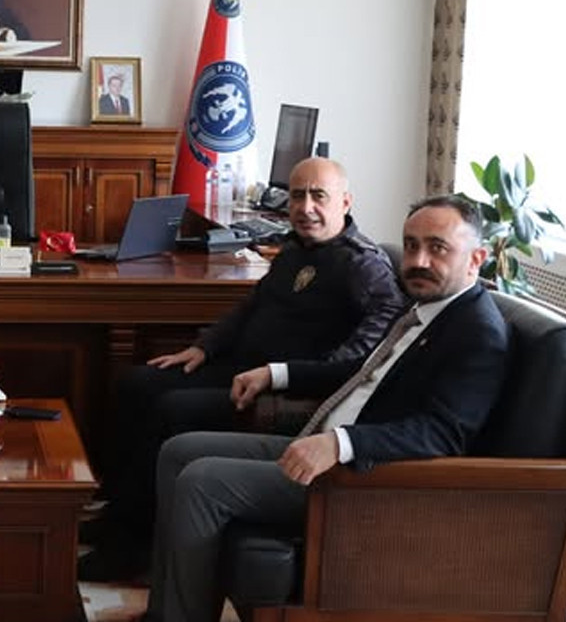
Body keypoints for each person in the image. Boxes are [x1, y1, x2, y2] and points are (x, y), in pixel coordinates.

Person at [145, 194, 509, 622]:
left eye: (437, 248)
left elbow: (444, 433)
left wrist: (340, 444)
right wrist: (275, 374)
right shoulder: (426, 308)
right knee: (178, 451)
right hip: (320, 439)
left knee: (202, 481)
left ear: (477, 258)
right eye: (411, 245)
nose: (418, 261)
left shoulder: (477, 333)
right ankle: (164, 612)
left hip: (361, 478)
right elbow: (363, 371)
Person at [78, 157, 408, 581]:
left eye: (318, 196)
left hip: (286, 394)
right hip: (242, 370)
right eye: (297, 196)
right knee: (136, 384)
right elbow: (250, 307)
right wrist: (203, 347)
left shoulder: (364, 266)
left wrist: (281, 374)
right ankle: (120, 512)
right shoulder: (294, 249)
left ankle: (135, 547)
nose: (306, 207)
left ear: (345, 202)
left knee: (172, 409)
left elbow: (361, 358)